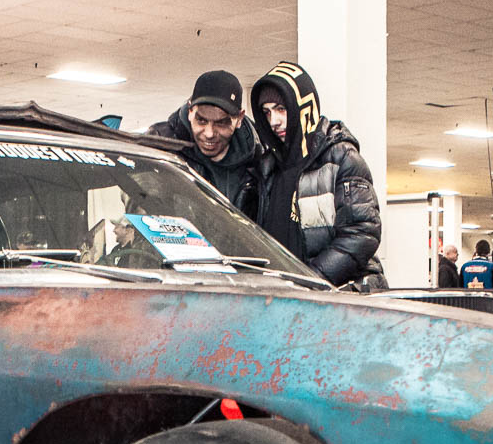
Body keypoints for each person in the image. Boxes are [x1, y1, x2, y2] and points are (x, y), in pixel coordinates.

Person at [250, 61, 380, 286]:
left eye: (281, 109)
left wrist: (311, 280)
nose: (274, 121)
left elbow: (362, 234)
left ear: (303, 107)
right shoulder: (268, 168)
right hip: (283, 295)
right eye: (267, 112)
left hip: (335, 296)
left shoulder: (341, 157)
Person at [147, 71, 261, 217]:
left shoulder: (259, 160)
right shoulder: (161, 145)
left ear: (239, 118)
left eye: (221, 123)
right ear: (190, 111)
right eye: (201, 120)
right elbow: (142, 205)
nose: (209, 133)